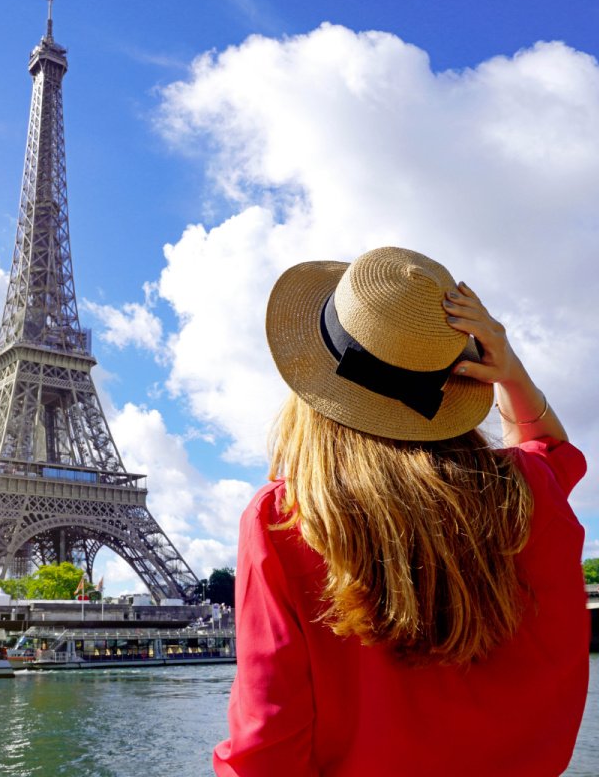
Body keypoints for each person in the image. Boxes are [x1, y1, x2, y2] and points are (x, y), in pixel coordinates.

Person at [213, 247, 588, 777]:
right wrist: (512, 372)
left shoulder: (287, 519)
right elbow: (553, 450)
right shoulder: (526, 494)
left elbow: (266, 745)